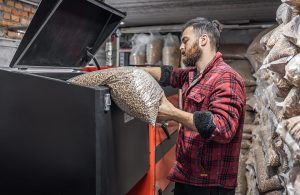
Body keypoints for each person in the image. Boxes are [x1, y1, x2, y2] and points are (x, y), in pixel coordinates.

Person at [143, 17, 246, 195]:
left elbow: (222, 128)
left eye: (185, 41)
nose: (181, 48)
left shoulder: (226, 78)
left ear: (203, 40)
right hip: (187, 176)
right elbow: (169, 74)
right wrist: (137, 71)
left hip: (210, 184)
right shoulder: (193, 75)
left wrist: (173, 113)